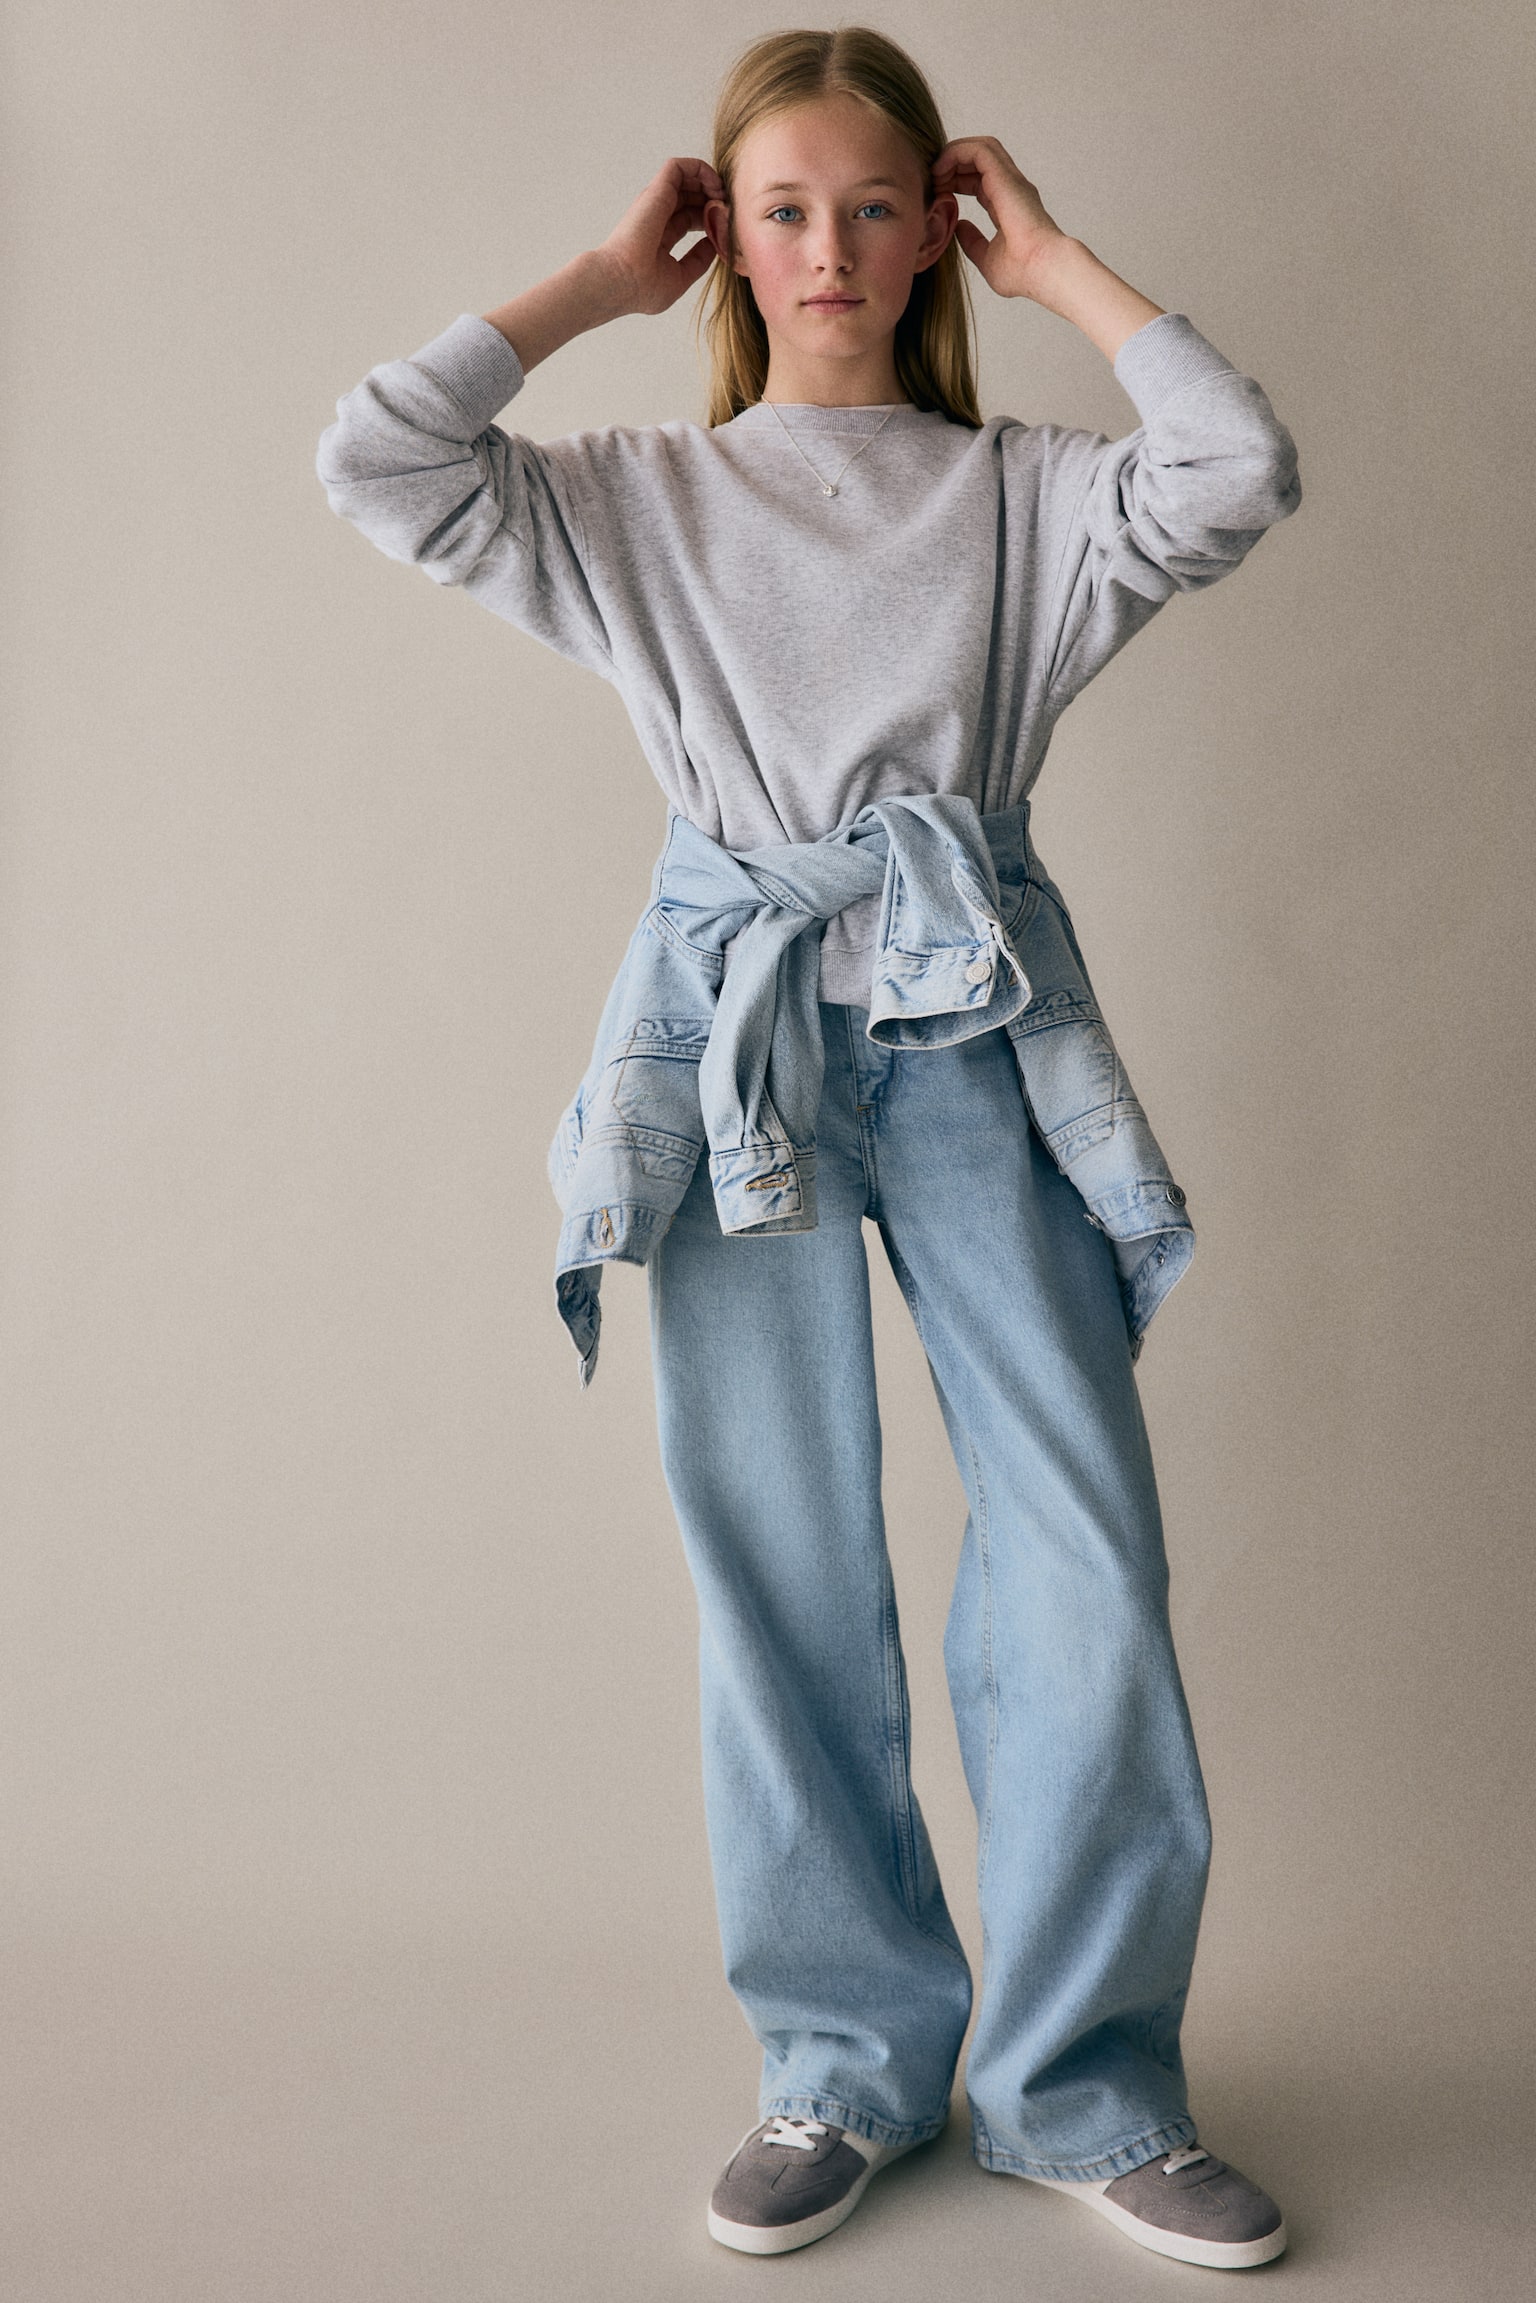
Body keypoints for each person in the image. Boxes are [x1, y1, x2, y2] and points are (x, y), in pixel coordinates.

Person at [316, 23, 1301, 2274]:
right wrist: (593, 284)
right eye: (782, 211)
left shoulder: (1027, 499)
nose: (830, 249)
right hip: (735, 1043)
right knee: (777, 1563)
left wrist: (1062, 267)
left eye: (876, 207)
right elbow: (378, 455)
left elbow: (1237, 464)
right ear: (725, 239)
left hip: (977, 1034)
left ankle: (1086, 2088)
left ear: (938, 224)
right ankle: (842, 2066)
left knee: (1082, 1555)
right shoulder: (636, 502)